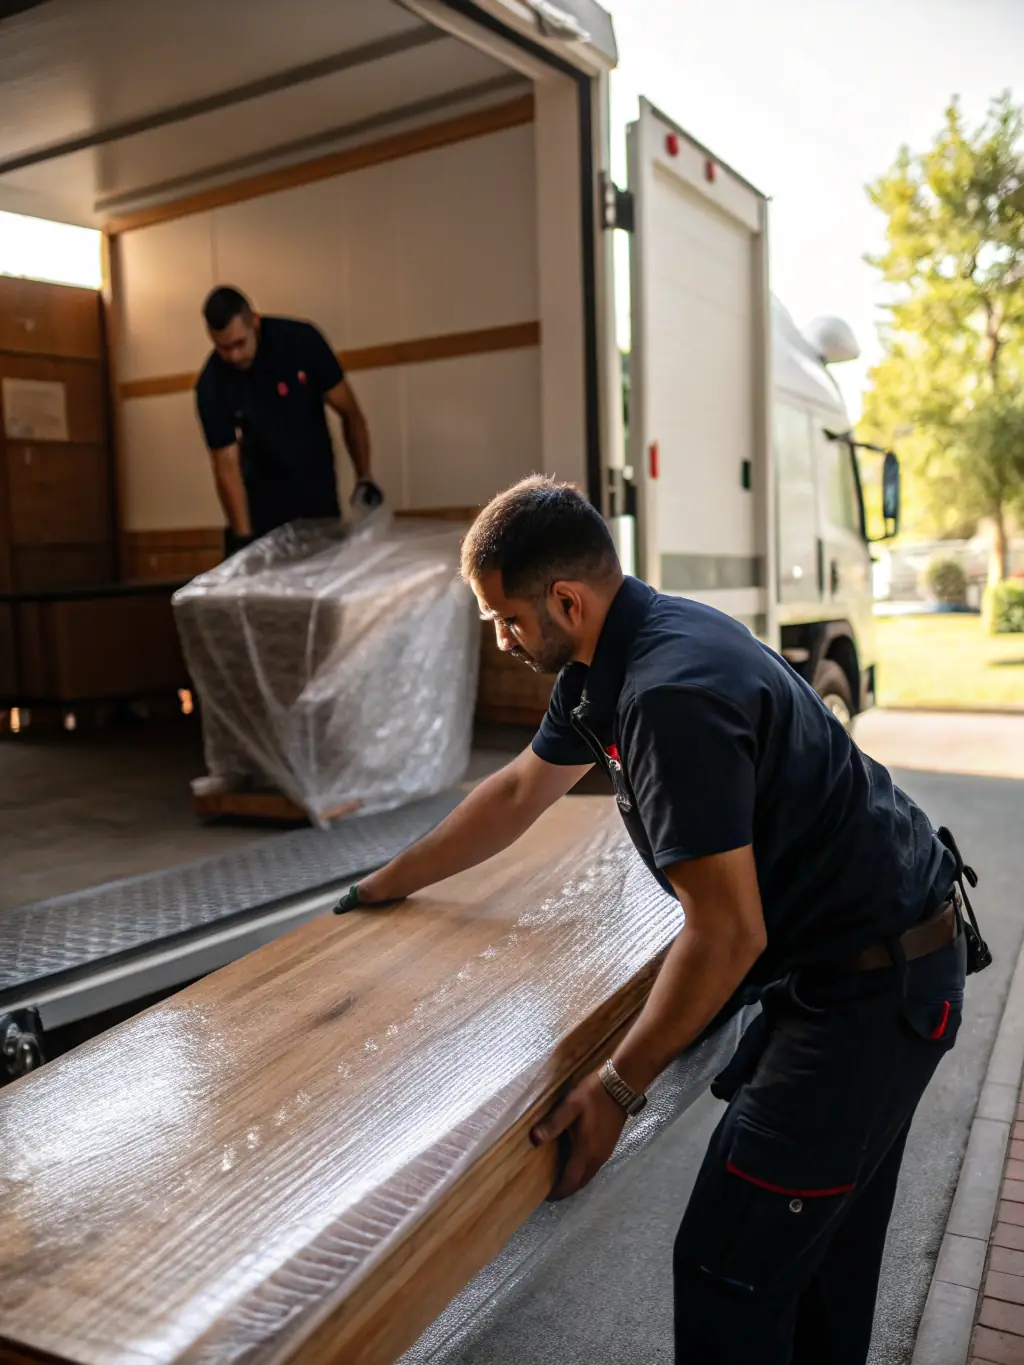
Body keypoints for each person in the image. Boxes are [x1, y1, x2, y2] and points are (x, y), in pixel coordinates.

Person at [338, 475, 976, 1364]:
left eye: (505, 617)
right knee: (814, 1259)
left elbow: (727, 932)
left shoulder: (669, 695)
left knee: (730, 1271)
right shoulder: (608, 660)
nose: (500, 636)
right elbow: (521, 788)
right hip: (870, 961)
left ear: (566, 598)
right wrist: (388, 879)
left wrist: (615, 1089)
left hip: (872, 997)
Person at [194, 286, 380, 552]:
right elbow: (226, 464)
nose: (233, 356)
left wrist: (365, 476)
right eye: (223, 348)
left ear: (254, 323)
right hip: (262, 504)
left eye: (239, 344)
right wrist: (244, 539)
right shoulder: (212, 383)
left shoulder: (301, 341)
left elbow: (350, 413)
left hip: (317, 494)